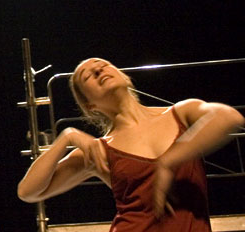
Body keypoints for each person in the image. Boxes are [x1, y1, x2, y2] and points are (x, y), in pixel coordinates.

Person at [17, 57, 245, 232]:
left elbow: (230, 118)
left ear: (125, 77)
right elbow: (28, 192)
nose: (98, 70)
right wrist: (67, 136)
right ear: (90, 105)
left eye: (104, 65)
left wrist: (169, 161)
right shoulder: (100, 150)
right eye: (87, 77)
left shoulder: (180, 112)